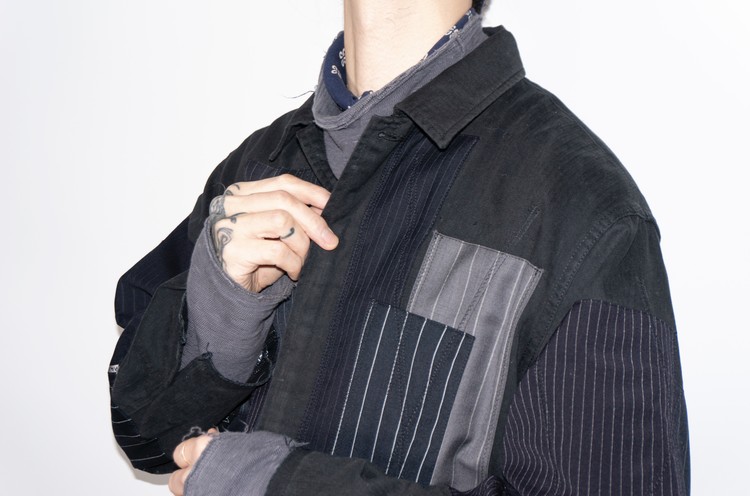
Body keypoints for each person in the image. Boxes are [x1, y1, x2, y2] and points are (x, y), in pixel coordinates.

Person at [109, 1, 690, 494]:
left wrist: (284, 486)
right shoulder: (259, 163)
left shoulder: (583, 209)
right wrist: (224, 314)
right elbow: (149, 436)